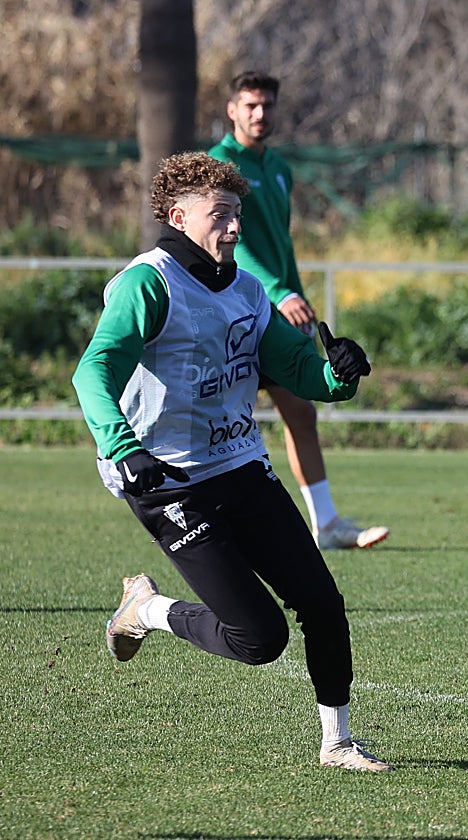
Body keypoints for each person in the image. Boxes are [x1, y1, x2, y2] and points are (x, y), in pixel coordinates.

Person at [72, 152, 393, 772]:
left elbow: (298, 369)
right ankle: (145, 610)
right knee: (260, 640)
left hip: (243, 467)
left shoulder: (246, 287)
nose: (235, 229)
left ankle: (338, 742)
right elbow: (94, 370)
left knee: (322, 602)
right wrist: (123, 446)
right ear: (178, 216)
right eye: (220, 215)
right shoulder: (150, 283)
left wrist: (338, 373)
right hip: (168, 480)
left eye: (238, 215)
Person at [209, 70, 388, 551]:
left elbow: (279, 243)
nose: (260, 114)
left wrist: (292, 290)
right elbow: (233, 241)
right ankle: (213, 528)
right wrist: (277, 291)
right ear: (232, 110)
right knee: (228, 415)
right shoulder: (219, 166)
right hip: (242, 309)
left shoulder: (280, 168)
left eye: (267, 105)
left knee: (300, 413)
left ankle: (325, 524)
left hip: (282, 309)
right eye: (250, 105)